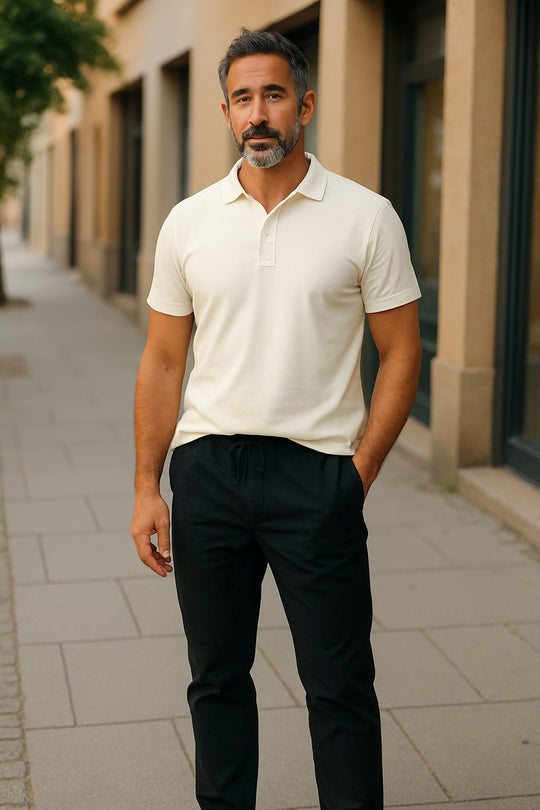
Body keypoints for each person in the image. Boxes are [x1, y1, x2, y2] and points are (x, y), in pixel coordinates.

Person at [131, 28, 421, 810]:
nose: (258, 113)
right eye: (242, 98)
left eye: (273, 95)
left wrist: (357, 474)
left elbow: (401, 353)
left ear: (306, 105)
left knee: (339, 685)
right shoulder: (189, 222)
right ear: (226, 112)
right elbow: (163, 362)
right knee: (216, 678)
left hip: (317, 476)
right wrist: (147, 486)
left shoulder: (366, 217)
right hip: (208, 473)